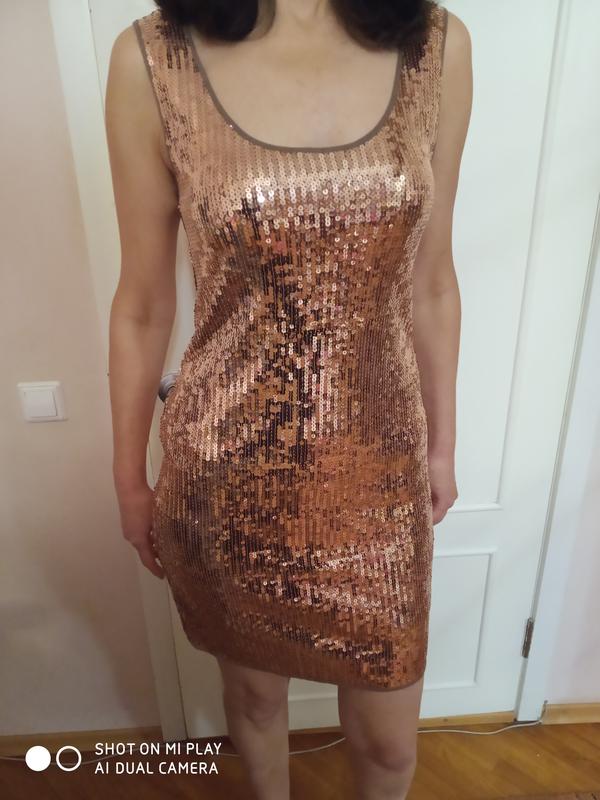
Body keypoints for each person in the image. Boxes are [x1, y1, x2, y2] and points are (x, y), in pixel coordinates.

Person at [105, 0, 471, 797]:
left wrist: (442, 446)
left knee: (387, 747)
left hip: (378, 470)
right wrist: (129, 479)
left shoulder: (435, 45)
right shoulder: (153, 59)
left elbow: (433, 283)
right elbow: (141, 305)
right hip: (229, 473)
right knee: (254, 701)